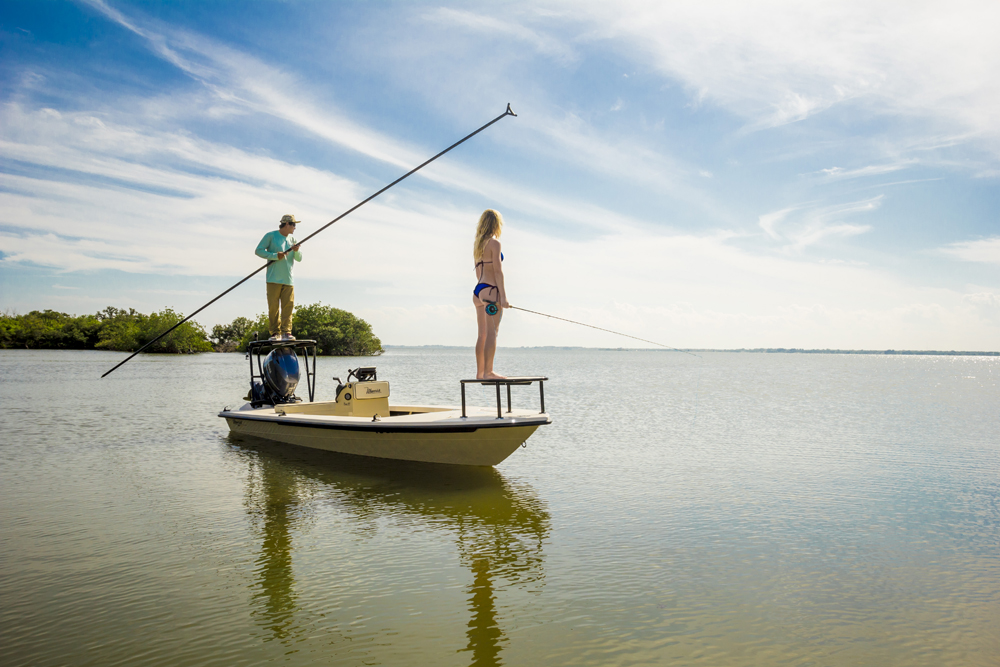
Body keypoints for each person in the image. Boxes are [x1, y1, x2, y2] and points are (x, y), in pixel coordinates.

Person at [472, 209, 509, 379]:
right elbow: (498, 272)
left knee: (482, 334)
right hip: (491, 293)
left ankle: (480, 373)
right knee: (492, 333)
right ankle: (488, 372)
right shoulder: (495, 244)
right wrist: (503, 297)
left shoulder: (478, 245)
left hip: (479, 291)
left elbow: (479, 272)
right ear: (496, 224)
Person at [256, 214, 303, 341]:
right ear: (287, 224)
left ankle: (286, 332)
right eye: (294, 225)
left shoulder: (293, 240)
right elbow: (258, 251)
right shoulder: (270, 235)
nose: (295, 228)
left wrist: (297, 250)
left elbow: (299, 258)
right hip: (273, 279)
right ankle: (275, 333)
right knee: (273, 307)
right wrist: (275, 256)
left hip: (289, 279)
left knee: (288, 306)